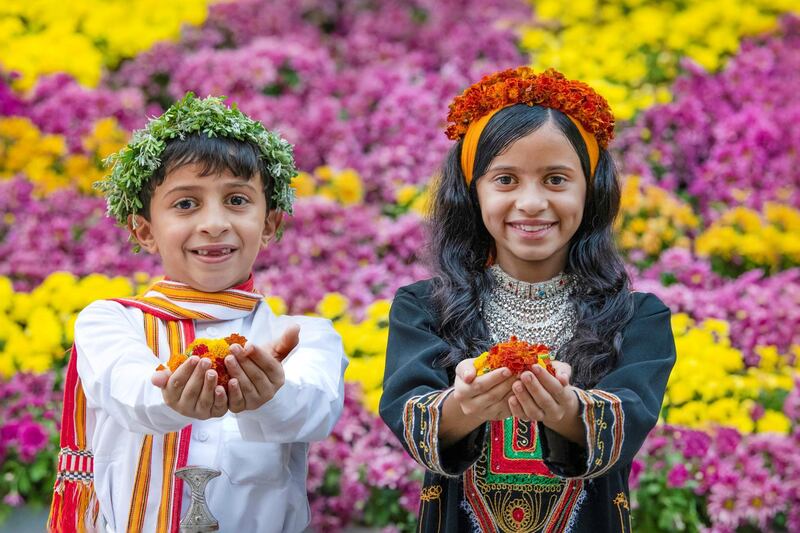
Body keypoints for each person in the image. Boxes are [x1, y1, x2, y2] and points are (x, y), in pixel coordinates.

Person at [379, 67, 676, 532]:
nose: (532, 202)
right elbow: (407, 414)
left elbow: (630, 420)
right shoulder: (425, 309)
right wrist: (465, 406)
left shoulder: (637, 318)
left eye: (556, 180)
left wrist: (568, 412)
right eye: (505, 180)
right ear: (471, 192)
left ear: (592, 190)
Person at [48, 93, 347, 533]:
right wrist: (169, 396)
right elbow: (129, 390)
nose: (214, 223)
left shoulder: (304, 336)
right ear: (144, 230)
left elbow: (314, 410)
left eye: (238, 201)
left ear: (270, 224)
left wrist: (271, 394)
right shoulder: (110, 322)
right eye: (186, 204)